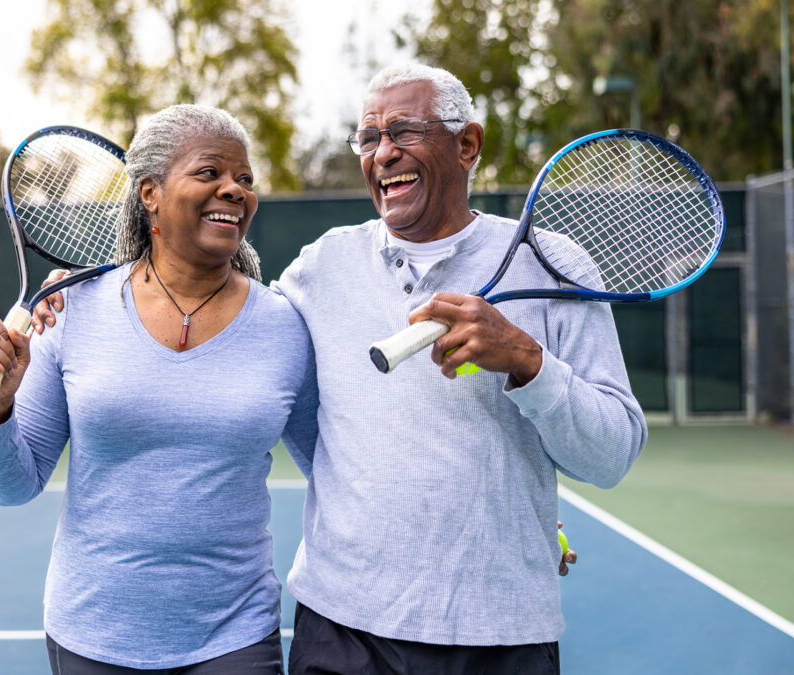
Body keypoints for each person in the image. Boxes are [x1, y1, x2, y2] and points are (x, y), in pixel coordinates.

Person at [273, 62, 646, 673]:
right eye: (369, 138)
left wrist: (526, 360)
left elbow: (611, 456)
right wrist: (84, 297)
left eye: (404, 131)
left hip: (501, 631)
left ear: (467, 144)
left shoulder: (555, 264)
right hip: (340, 627)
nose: (383, 153)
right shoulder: (320, 267)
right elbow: (249, 351)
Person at [0, 104, 319, 674]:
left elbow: (336, 463)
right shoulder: (69, 309)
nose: (234, 190)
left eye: (245, 180)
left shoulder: (283, 325)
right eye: (210, 173)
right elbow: (13, 486)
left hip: (235, 638)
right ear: (150, 193)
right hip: (92, 633)